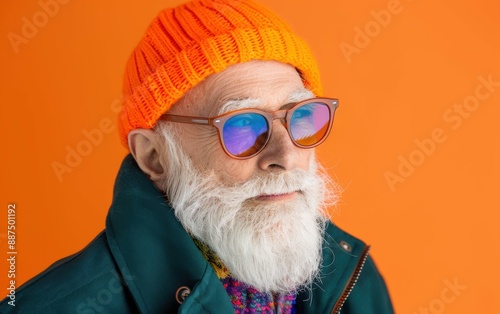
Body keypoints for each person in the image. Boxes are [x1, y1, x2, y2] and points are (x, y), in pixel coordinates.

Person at [0, 0, 394, 313]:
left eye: (301, 116)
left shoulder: (355, 281)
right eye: (242, 126)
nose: (286, 155)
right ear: (155, 158)